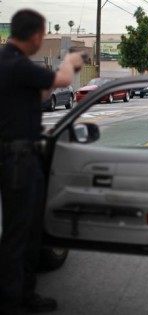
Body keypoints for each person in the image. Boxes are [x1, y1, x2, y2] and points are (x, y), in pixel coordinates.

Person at [0, 9, 84, 314]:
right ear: (35, 35)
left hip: (14, 155)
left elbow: (37, 94)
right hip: (20, 159)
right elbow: (61, 79)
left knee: (25, 229)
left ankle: (24, 293)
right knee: (20, 232)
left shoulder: (6, 62)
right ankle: (14, 299)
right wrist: (72, 61)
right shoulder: (18, 64)